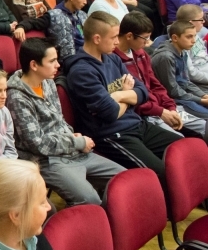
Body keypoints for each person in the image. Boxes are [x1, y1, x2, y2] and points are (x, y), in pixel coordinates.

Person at [64, 11, 183, 181]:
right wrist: (128, 97)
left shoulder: (113, 59)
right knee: (160, 174)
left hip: (137, 124)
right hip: (112, 135)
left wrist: (119, 95)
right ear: (97, 39)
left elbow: (142, 92)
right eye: (113, 37)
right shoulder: (81, 72)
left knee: (184, 150)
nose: (117, 41)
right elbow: (110, 113)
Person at [7, 38, 126, 206]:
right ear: (34, 65)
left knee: (124, 180)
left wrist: (70, 135)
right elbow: (37, 144)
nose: (58, 65)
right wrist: (75, 142)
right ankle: (93, 227)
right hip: (47, 160)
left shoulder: (48, 82)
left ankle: (115, 226)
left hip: (72, 151)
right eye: (52, 61)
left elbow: (58, 119)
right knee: (90, 200)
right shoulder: (16, 97)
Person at [115, 12, 207, 139]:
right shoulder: (114, 60)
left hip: (163, 107)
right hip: (146, 114)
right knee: (180, 140)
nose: (148, 43)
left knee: (203, 126)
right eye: (145, 38)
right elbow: (133, 100)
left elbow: (156, 85)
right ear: (129, 36)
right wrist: (161, 112)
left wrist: (171, 108)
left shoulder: (141, 54)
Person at [151, 21, 208, 120]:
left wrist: (203, 95)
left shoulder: (183, 51)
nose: (194, 41)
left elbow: (186, 82)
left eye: (194, 36)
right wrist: (201, 100)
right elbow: (172, 91)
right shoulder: (166, 57)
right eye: (189, 37)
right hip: (172, 101)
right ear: (175, 38)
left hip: (183, 95)